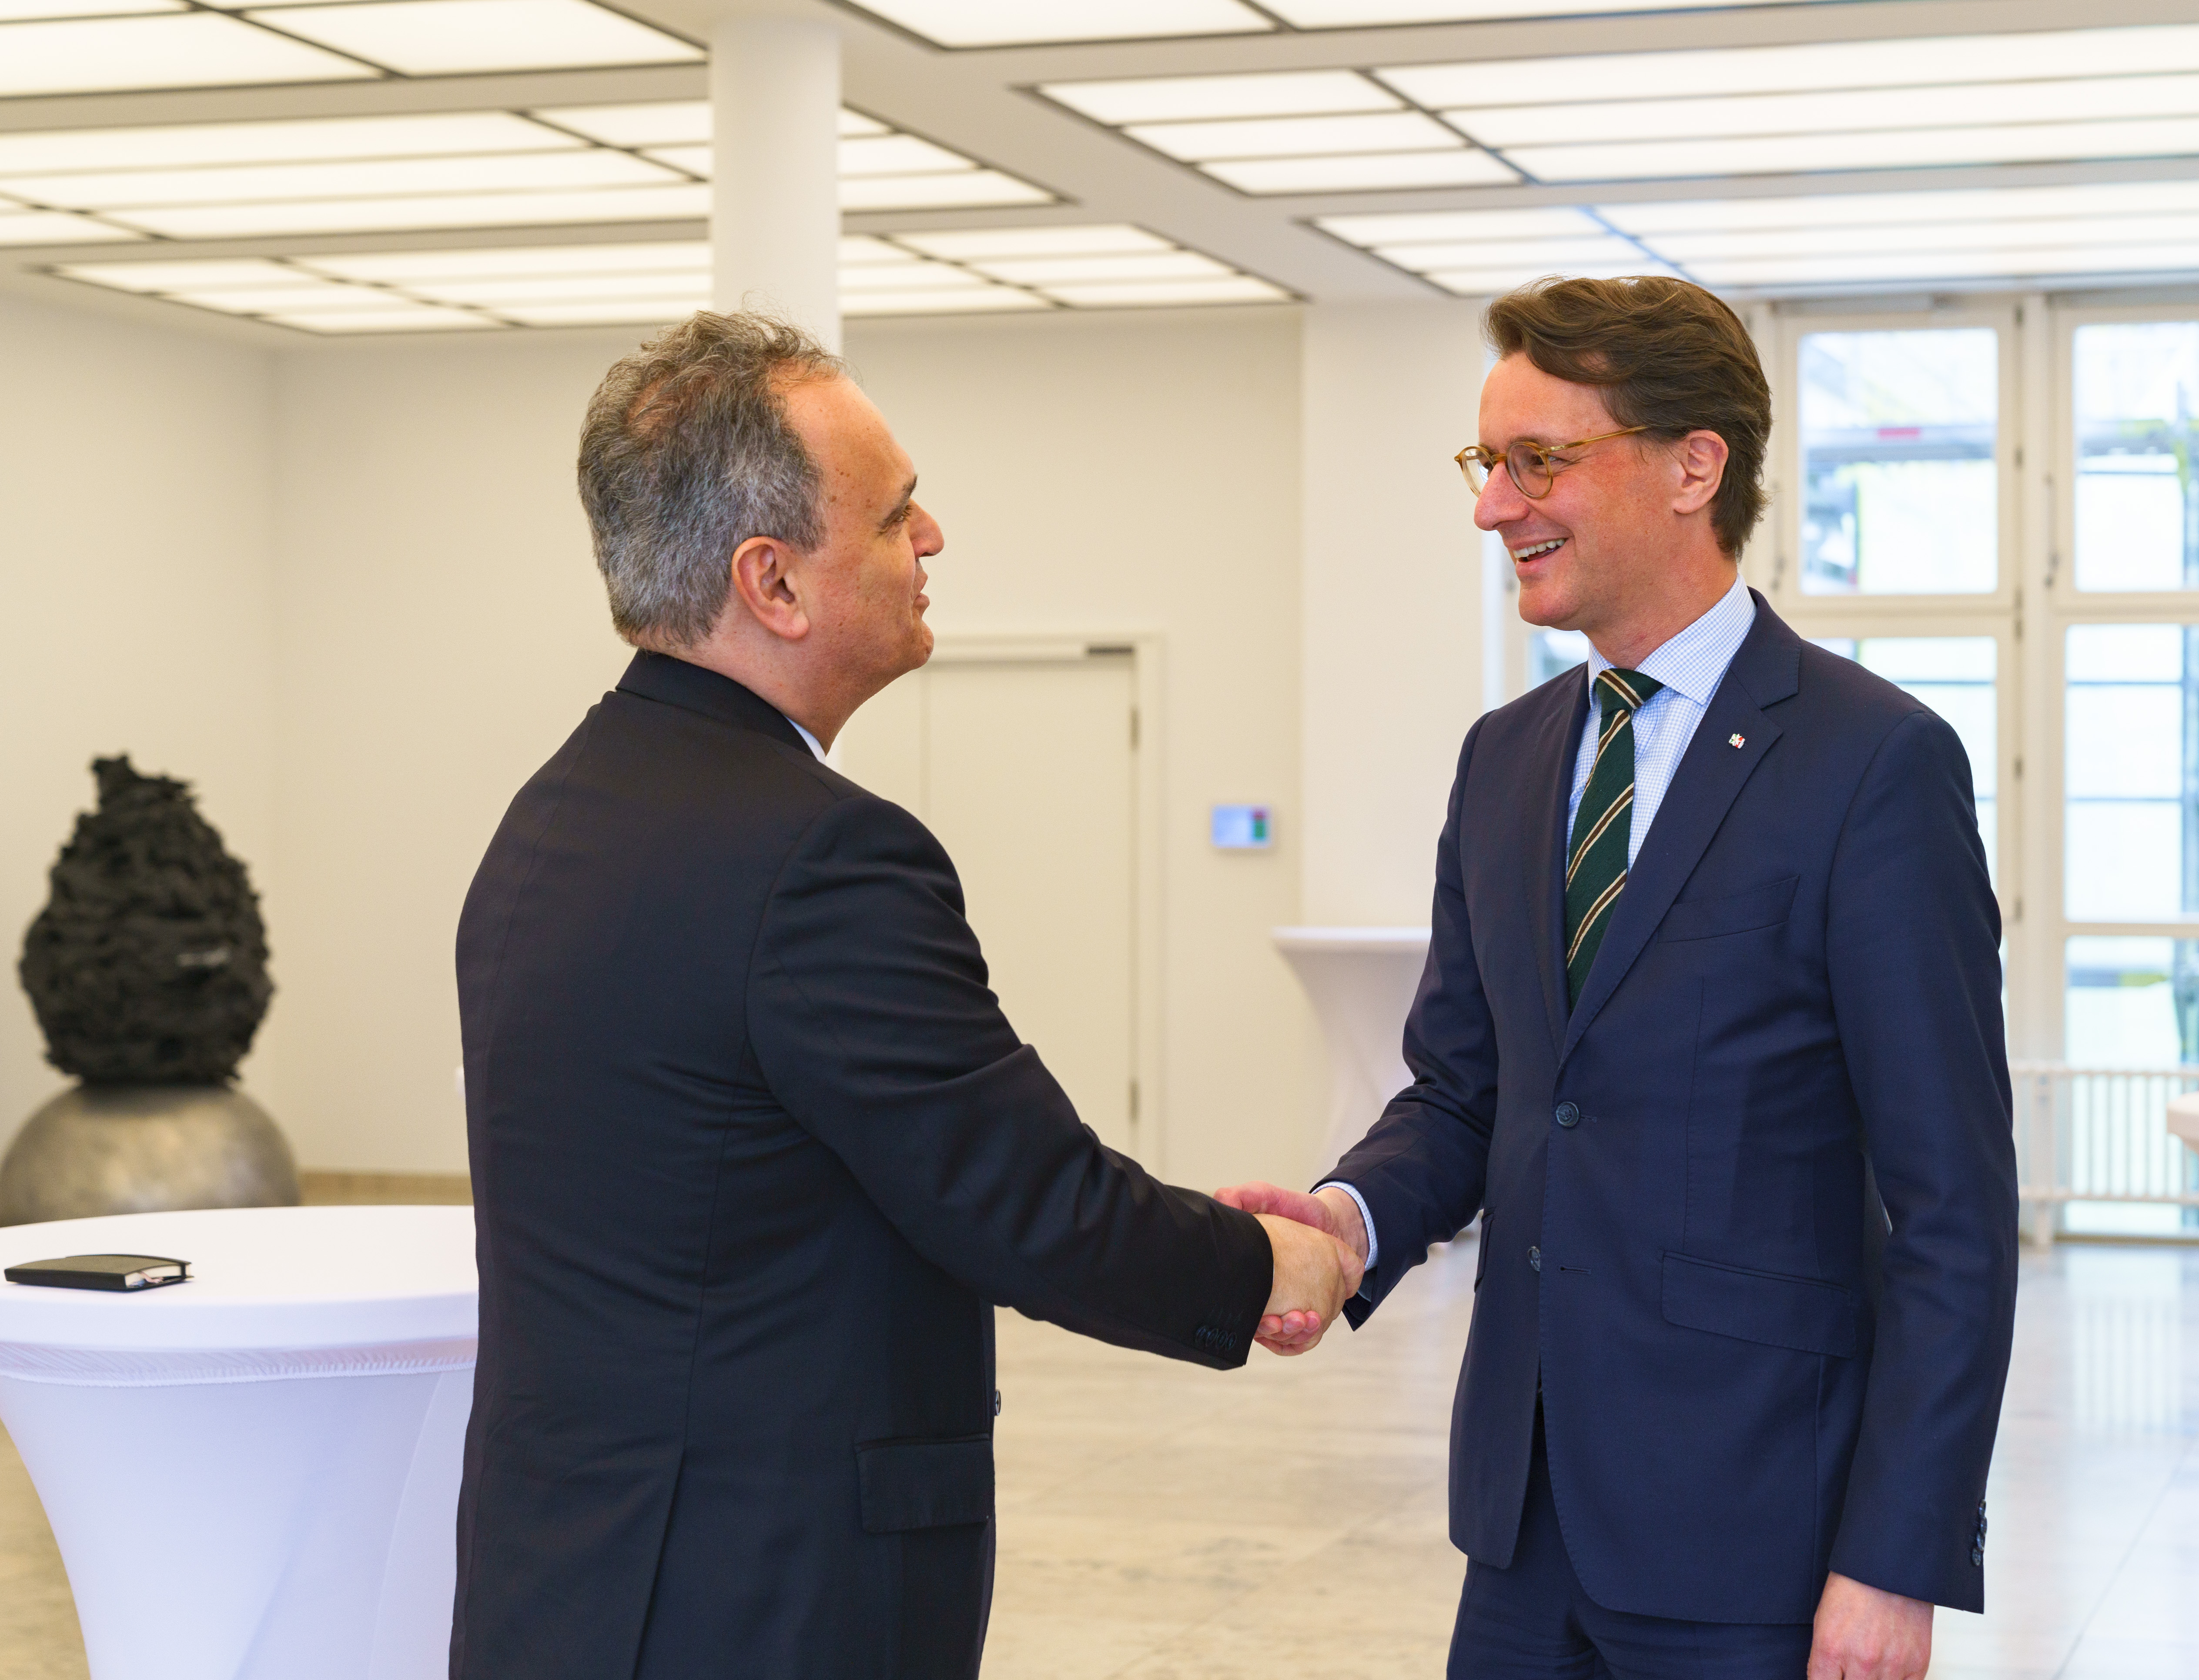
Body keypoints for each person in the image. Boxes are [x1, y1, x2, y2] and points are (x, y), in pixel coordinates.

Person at [452, 311, 1359, 1680]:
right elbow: (1024, 1200)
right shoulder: (820, 855)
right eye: (894, 515)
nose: (932, 539)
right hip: (760, 1596)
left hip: (573, 1579)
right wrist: (1275, 1265)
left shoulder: (553, 818)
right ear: (773, 582)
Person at [1220, 277, 2016, 1680]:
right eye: (1487, 463)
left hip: (1757, 1535)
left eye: (1539, 461)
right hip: (1522, 1528)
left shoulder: (1873, 766)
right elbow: (1466, 1092)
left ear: (1693, 466)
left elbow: (1954, 1209)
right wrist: (1348, 1224)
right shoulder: (1507, 759)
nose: (1493, 507)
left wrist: (1897, 1557)